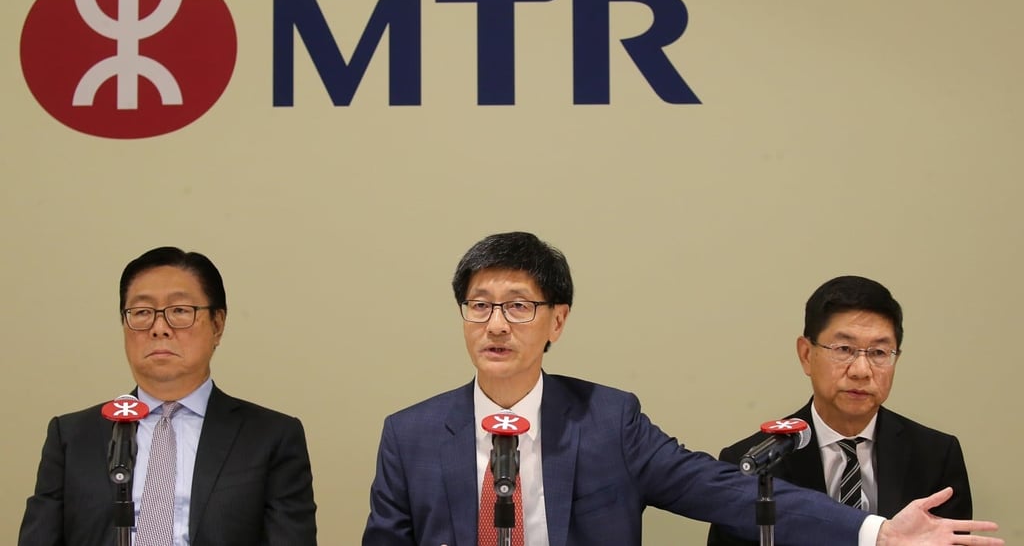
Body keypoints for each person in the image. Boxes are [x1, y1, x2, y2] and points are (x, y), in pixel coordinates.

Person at [361, 231, 1001, 546]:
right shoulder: (410, 432)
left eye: (519, 306)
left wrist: (876, 533)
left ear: (558, 320)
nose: (496, 324)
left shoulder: (607, 420)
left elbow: (726, 491)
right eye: (479, 306)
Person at [19, 247, 317, 546]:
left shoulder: (271, 437)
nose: (159, 328)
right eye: (142, 313)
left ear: (218, 324)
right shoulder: (72, 437)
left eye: (179, 311)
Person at [707, 275, 972, 546]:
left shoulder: (936, 457)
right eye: (844, 349)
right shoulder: (752, 463)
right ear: (806, 355)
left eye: (879, 353)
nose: (861, 371)